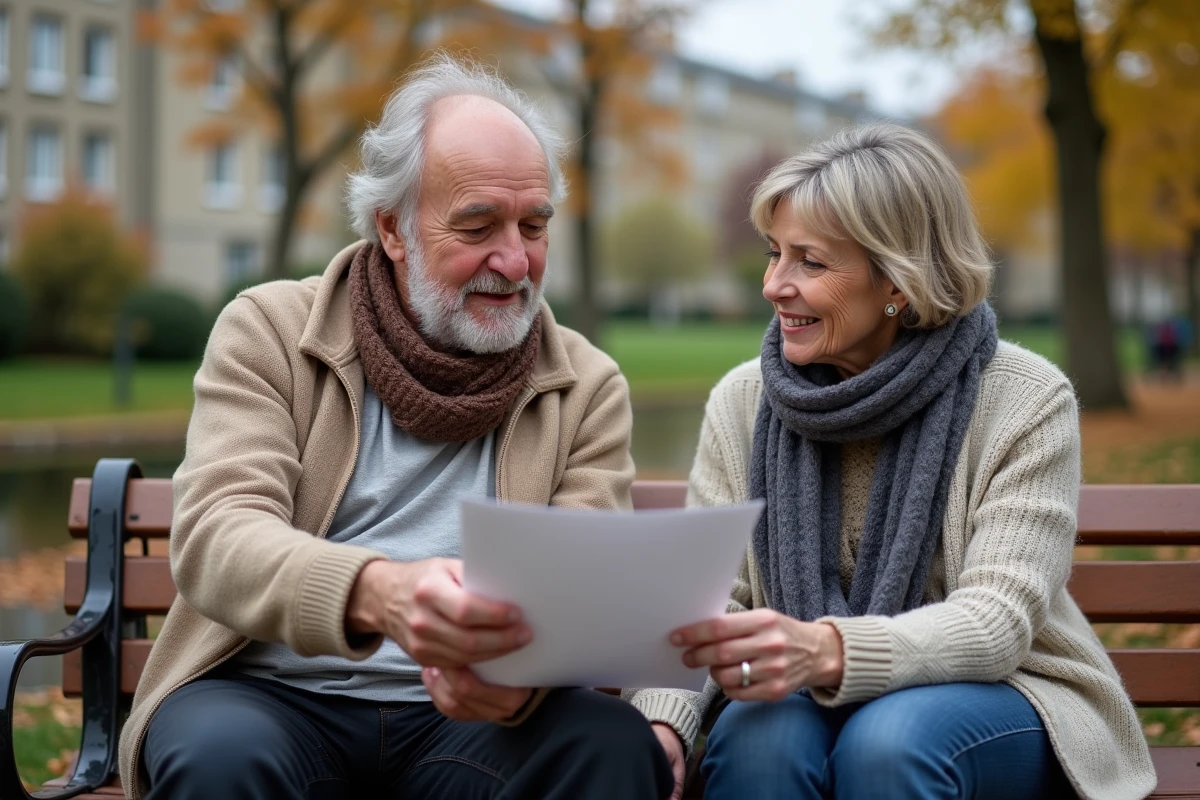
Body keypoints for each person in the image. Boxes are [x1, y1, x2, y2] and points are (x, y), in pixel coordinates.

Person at [117, 55, 674, 800]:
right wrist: (377, 593)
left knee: (607, 745)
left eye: (533, 225)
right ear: (394, 228)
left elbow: (580, 596)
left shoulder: (585, 383)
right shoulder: (271, 330)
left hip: (472, 720)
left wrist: (524, 685)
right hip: (268, 693)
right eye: (478, 225)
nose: (514, 260)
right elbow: (218, 536)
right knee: (221, 758)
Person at [627, 123, 1156, 800]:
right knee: (761, 738)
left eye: (809, 263)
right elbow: (704, 597)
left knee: (888, 740)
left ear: (899, 284)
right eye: (773, 254)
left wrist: (831, 652)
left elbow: (998, 621)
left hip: (1007, 694)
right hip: (798, 699)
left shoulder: (1025, 400)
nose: (773, 285)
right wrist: (666, 723)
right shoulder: (744, 401)